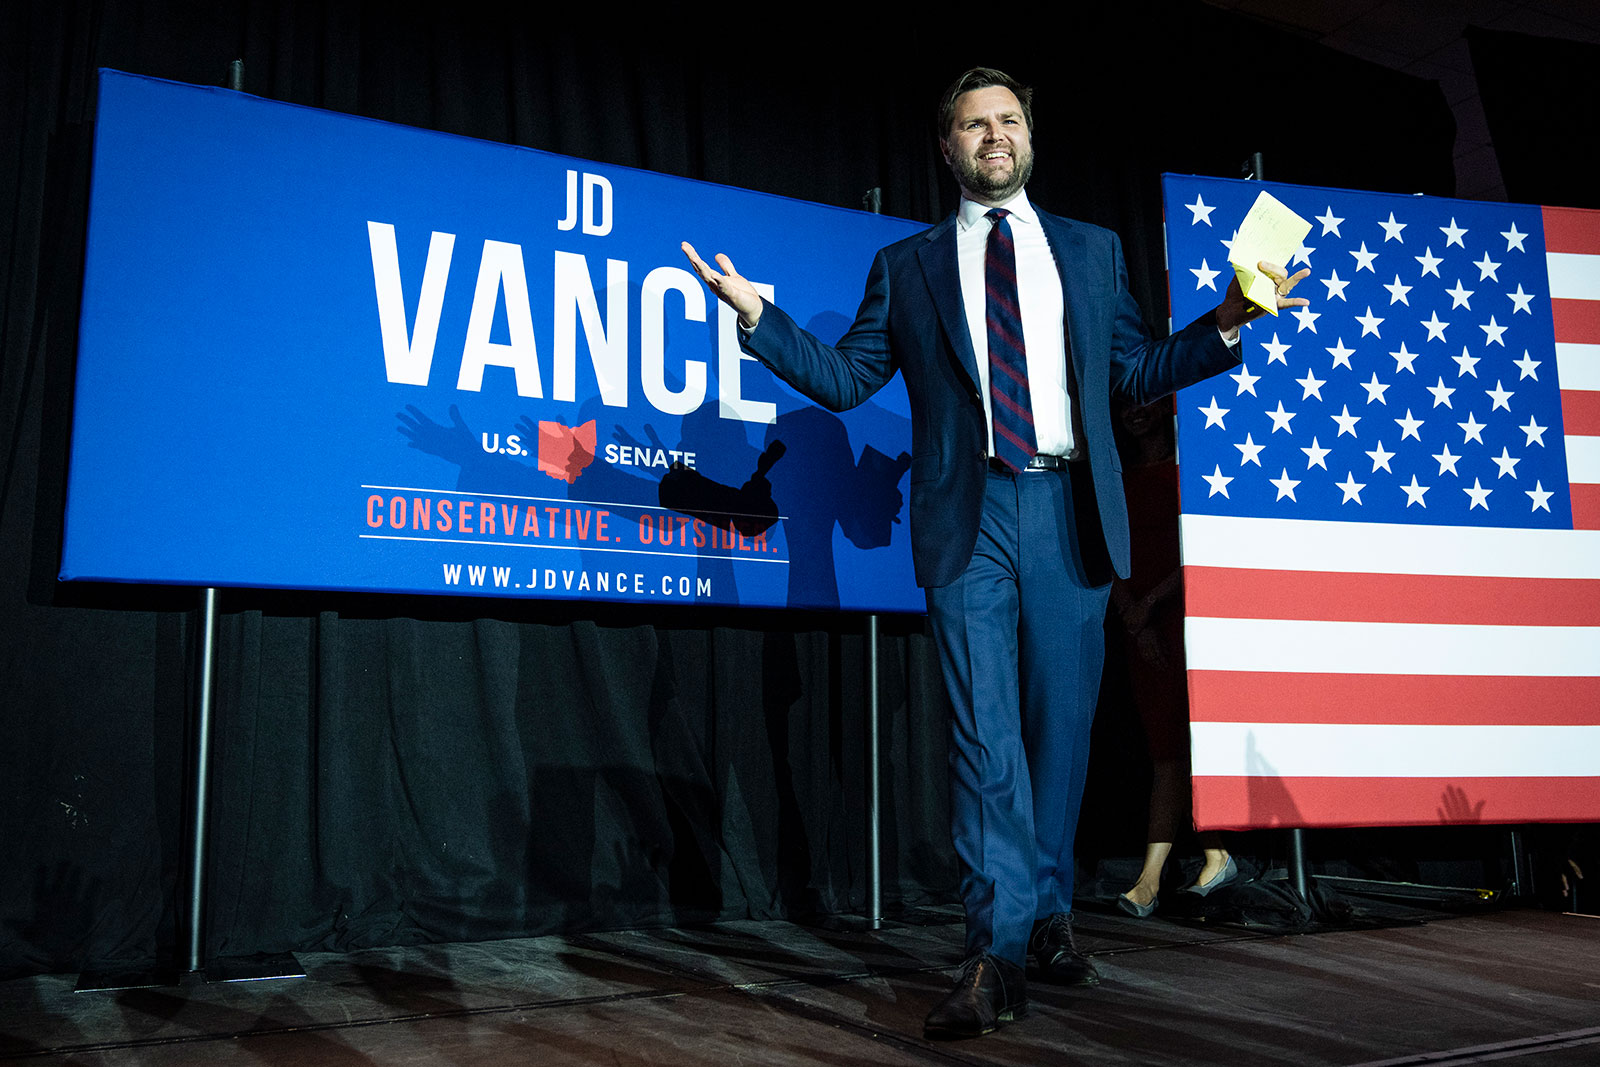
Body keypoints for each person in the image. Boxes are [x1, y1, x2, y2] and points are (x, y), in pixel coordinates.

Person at [683, 66, 1307, 1039]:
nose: (992, 135)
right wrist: (759, 321)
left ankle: (1048, 914)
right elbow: (848, 380)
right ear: (948, 148)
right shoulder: (908, 266)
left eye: (1007, 118)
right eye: (972, 124)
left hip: (1068, 514)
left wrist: (1226, 318)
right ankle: (992, 950)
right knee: (985, 740)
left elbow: (1134, 372)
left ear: (1027, 137)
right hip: (968, 518)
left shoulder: (1093, 254)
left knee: (1059, 737)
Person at [1110, 398, 1235, 918]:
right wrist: (1132, 617)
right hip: (1138, 624)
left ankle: (1150, 880)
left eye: (1146, 400)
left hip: (1186, 618)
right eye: (1127, 402)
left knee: (1187, 749)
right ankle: (1216, 855)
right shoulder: (1114, 475)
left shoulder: (1189, 472)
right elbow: (1108, 552)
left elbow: (1202, 552)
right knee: (1166, 751)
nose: (1136, 410)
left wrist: (1154, 605)